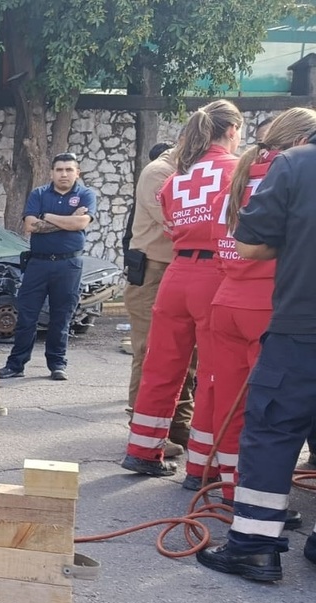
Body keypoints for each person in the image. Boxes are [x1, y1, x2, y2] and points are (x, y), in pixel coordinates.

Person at [195, 121, 316, 582]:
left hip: (300, 325)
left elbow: (248, 242)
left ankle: (254, 546)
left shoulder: (297, 164)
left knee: (272, 430)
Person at [122, 100, 242, 479]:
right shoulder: (238, 169)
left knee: (160, 365)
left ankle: (142, 450)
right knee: (212, 374)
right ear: (232, 130)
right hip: (215, 275)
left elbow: (171, 226)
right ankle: (202, 466)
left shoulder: (177, 177)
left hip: (177, 273)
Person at [0, 152, 97, 382]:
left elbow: (81, 223)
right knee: (26, 317)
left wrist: (47, 216)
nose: (64, 174)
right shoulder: (39, 194)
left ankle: (57, 365)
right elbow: (30, 226)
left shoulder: (85, 194)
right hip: (38, 263)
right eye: (59, 170)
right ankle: (16, 365)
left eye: (69, 170)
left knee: (61, 317)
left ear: (77, 173)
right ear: (52, 172)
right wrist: (68, 219)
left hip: (68, 264)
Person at [123, 142, 192, 460]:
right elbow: (175, 223)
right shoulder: (159, 172)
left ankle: (178, 425)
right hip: (152, 270)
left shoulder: (188, 172)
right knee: (151, 351)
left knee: (186, 352)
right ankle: (144, 427)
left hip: (178, 268)